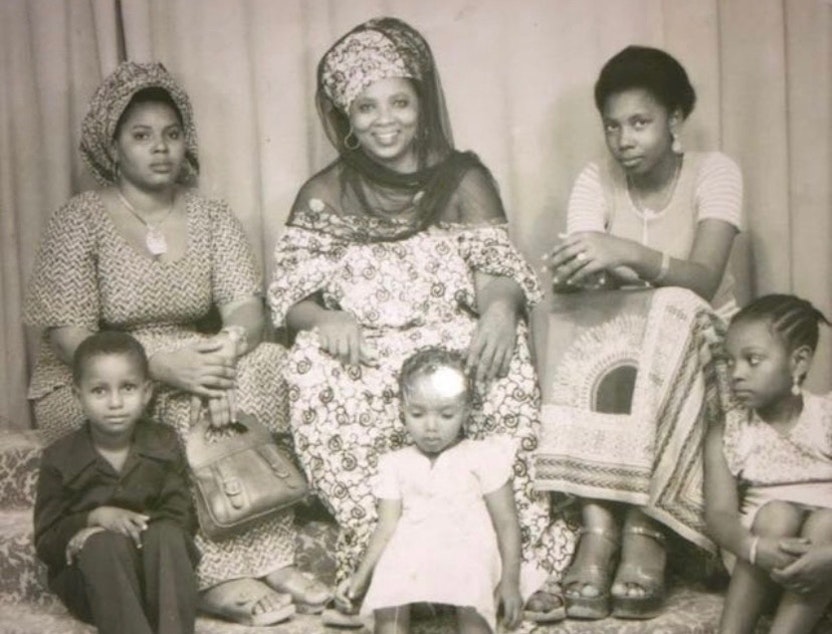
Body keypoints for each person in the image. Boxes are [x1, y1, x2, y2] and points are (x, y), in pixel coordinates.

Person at [268, 17, 576, 622]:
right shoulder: (323, 193)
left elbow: (496, 267)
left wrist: (497, 308)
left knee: (501, 350)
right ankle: (386, 557)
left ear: (421, 104)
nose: (385, 120)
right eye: (366, 107)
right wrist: (324, 318)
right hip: (367, 346)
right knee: (310, 362)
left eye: (399, 102)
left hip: (450, 340)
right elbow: (291, 294)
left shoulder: (462, 177)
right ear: (345, 119)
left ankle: (522, 564)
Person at [24, 62, 328, 626]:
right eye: (140, 136)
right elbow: (71, 335)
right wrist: (162, 369)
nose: (160, 149)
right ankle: (212, 578)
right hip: (100, 370)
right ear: (112, 148)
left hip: (196, 350)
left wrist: (228, 349)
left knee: (266, 367)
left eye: (171, 133)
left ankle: (270, 556)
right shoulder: (79, 219)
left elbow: (245, 302)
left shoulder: (211, 215)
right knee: (170, 402)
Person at [538, 45, 742, 620]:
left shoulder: (715, 171)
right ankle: (598, 529)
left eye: (640, 122)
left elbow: (702, 279)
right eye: (612, 126)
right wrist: (589, 270)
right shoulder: (593, 177)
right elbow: (586, 276)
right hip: (622, 338)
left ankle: (645, 528)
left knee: (673, 306)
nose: (623, 139)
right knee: (568, 316)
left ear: (675, 121)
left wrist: (623, 253)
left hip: (701, 335)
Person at [334, 348, 523, 633]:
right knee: (390, 590)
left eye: (446, 415)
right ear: (402, 411)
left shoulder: (484, 455)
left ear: (466, 411)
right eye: (418, 414)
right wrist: (361, 577)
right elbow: (386, 527)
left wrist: (510, 582)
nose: (431, 427)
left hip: (466, 547)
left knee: (473, 602)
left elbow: (507, 523)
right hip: (410, 550)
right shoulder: (394, 463)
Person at [34, 331, 199, 634]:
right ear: (78, 395)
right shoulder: (59, 458)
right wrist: (93, 520)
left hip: (157, 581)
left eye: (127, 388)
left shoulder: (163, 443)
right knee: (103, 545)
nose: (115, 402)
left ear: (147, 392)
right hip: (96, 586)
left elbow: (183, 515)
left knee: (168, 535)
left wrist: (136, 528)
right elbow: (46, 542)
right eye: (99, 391)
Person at [704, 294, 832, 634]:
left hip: (826, 563)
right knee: (777, 513)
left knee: (827, 523)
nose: (737, 374)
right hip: (758, 558)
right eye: (729, 362)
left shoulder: (827, 418)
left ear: (799, 362)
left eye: (753, 360)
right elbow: (719, 514)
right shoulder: (730, 431)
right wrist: (756, 548)